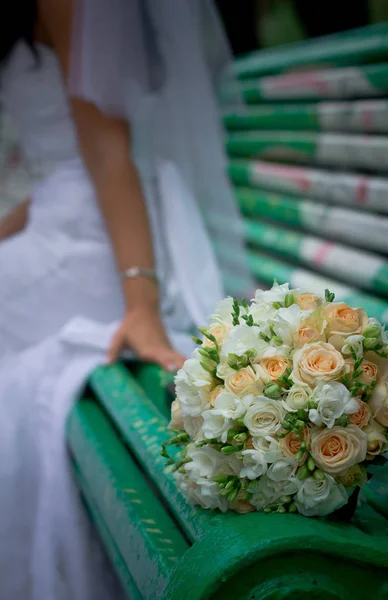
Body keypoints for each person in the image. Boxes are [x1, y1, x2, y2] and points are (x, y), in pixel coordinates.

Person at [0, 1, 251, 598]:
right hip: (64, 215)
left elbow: (108, 153)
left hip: (97, 235)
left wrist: (139, 304)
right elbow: (56, 165)